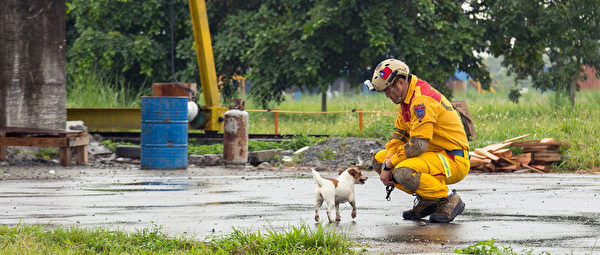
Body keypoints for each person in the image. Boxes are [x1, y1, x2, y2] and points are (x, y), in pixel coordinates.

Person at [364, 59, 470, 223]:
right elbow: (399, 135)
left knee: (403, 171)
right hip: (431, 154)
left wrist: (390, 164)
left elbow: (418, 145)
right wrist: (386, 161)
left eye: (387, 90)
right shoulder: (405, 99)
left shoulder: (421, 101)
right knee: (379, 160)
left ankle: (449, 197)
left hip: (452, 159)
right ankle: (429, 199)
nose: (387, 95)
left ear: (400, 82)